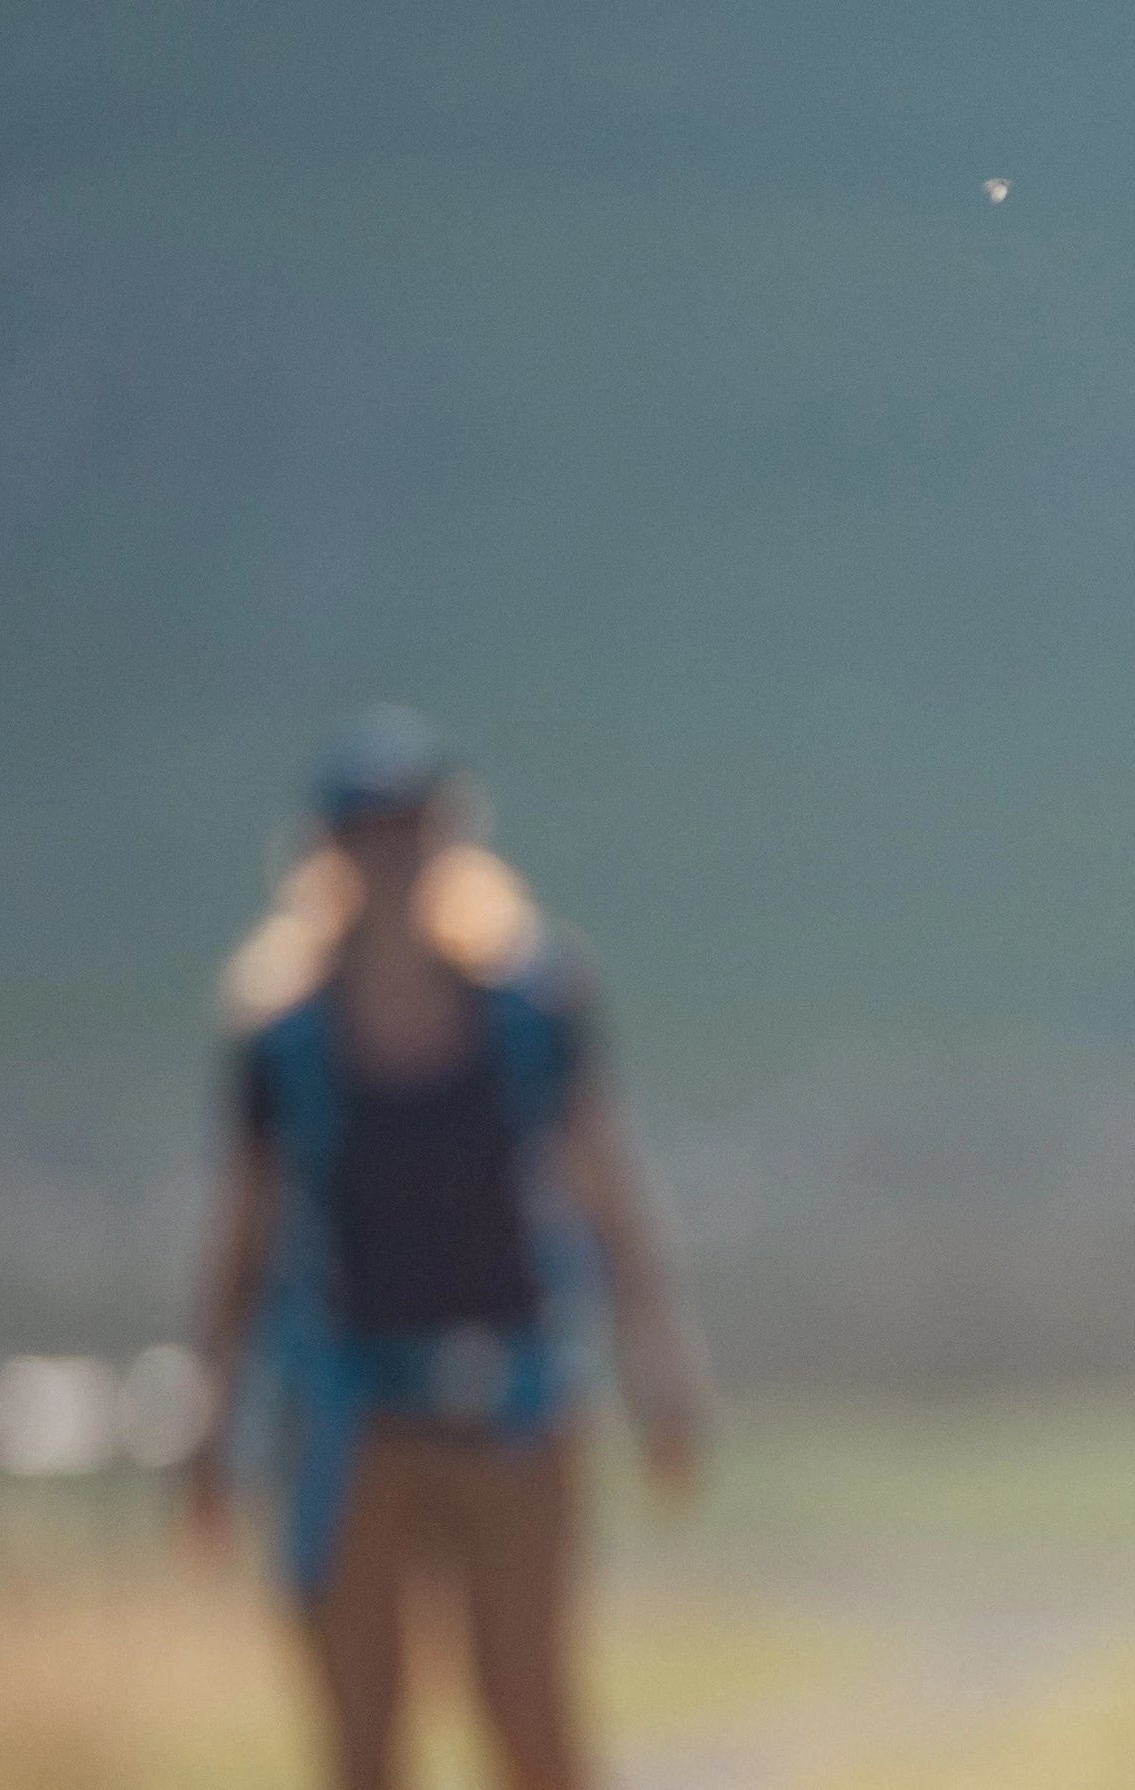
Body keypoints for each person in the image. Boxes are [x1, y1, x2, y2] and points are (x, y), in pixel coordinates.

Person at [188, 708, 709, 1790]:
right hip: (348, 1413)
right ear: (326, 852)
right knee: (363, 1736)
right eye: (370, 830)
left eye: (414, 827)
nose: (393, 853)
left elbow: (608, 1199)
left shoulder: (534, 1011)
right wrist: (209, 1419)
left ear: (452, 841)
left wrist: (656, 1365)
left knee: (528, 1719)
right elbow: (242, 1239)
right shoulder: (281, 1039)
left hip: (513, 1407)